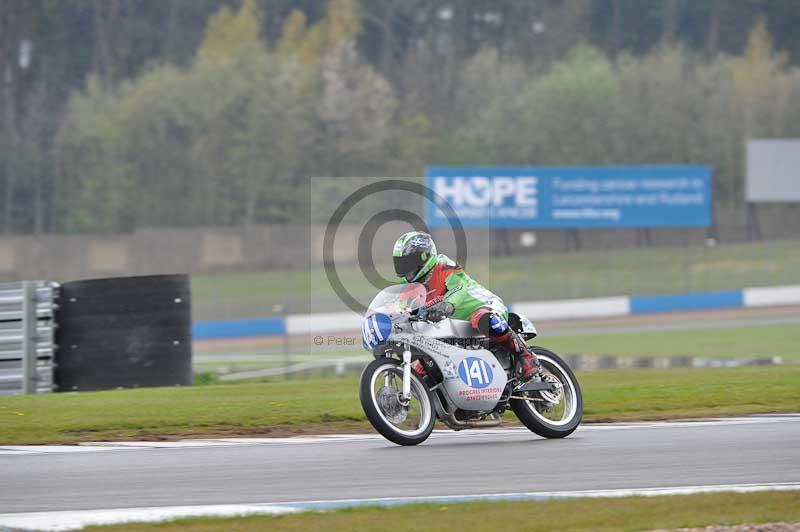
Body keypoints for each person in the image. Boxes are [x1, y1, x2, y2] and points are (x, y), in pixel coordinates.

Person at [392, 230, 540, 381]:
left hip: (484, 306)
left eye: (408, 262)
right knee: (423, 374)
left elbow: (460, 289)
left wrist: (447, 305)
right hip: (455, 327)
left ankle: (526, 355)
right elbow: (401, 308)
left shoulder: (443, 266)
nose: (405, 268)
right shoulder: (408, 286)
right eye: (401, 263)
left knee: (482, 318)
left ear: (425, 257)